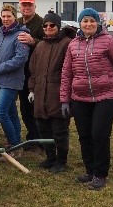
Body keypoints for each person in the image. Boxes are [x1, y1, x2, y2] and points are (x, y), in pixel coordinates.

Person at [60, 8, 113, 190]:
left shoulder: (109, 42)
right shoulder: (73, 45)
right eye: (85, 21)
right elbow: (67, 74)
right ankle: (90, 170)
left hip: (107, 95)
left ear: (98, 23)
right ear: (80, 23)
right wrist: (65, 100)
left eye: (92, 20)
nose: (88, 24)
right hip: (80, 97)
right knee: (84, 135)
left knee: (99, 134)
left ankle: (100, 174)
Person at [28, 11, 76, 173]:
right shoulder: (40, 46)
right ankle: (50, 158)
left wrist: (67, 96)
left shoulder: (67, 44)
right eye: (45, 25)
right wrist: (32, 89)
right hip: (41, 94)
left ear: (58, 26)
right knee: (43, 128)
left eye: (52, 25)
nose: (48, 28)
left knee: (59, 130)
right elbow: (33, 70)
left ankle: (61, 160)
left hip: (58, 95)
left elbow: (71, 71)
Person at [0, 4, 30, 158]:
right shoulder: (1, 35)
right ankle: (16, 143)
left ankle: (13, 145)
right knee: (12, 113)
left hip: (11, 80)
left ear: (15, 17)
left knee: (0, 112)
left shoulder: (20, 35)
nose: (5, 19)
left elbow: (20, 59)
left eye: (9, 16)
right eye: (3, 16)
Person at [17, 0, 45, 146]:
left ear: (35, 7)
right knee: (24, 107)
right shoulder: (17, 22)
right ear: (19, 7)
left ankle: (40, 138)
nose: (26, 8)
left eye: (29, 5)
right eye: (24, 5)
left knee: (36, 106)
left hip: (36, 72)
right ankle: (31, 137)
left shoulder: (41, 23)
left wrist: (34, 41)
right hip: (21, 71)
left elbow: (49, 44)